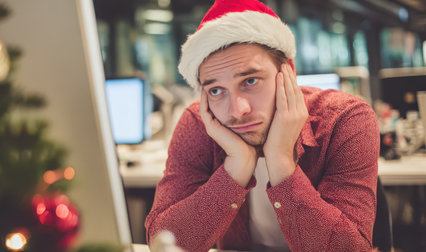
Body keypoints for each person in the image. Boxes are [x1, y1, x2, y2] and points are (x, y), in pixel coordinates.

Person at [145, 0, 379, 251]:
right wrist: (235, 167)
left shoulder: (344, 119)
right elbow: (163, 242)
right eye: (216, 90)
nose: (237, 110)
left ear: (288, 71)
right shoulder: (199, 123)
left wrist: (280, 161)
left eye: (250, 81)